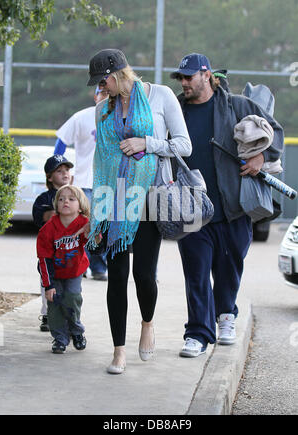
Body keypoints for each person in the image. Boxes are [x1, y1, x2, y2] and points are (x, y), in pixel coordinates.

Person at [84, 48, 192, 374]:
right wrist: (98, 214)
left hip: (149, 196)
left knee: (143, 274)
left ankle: (147, 322)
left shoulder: (160, 95)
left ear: (118, 73)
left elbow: (184, 145)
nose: (101, 89)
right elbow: (101, 161)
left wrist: (148, 143)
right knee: (115, 276)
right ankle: (118, 350)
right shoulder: (103, 109)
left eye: (104, 81)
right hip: (115, 198)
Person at [170, 53, 284, 357]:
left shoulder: (237, 105)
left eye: (189, 77)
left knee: (228, 269)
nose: (184, 83)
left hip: (233, 208)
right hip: (191, 209)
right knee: (195, 271)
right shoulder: (175, 111)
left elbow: (276, 133)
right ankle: (197, 333)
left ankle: (226, 315)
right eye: (180, 78)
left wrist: (261, 157)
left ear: (206, 75)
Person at [54, 87, 108, 281]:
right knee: (80, 226)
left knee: (100, 228)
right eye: (101, 93)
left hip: (107, 184)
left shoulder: (119, 118)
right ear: (95, 96)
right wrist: (57, 166)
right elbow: (62, 140)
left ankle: (99, 267)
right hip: (84, 181)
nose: (105, 96)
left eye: (108, 93)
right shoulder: (81, 117)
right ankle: (79, 265)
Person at [36, 184, 91, 354]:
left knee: (72, 298)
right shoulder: (48, 229)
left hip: (75, 271)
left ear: (81, 206)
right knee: (55, 304)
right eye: (61, 199)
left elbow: (97, 243)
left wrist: (92, 231)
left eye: (71, 199)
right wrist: (48, 284)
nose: (65, 201)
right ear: (56, 205)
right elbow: (44, 259)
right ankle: (60, 338)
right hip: (55, 273)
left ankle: (76, 331)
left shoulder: (85, 223)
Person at [32, 154, 74, 332]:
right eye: (59, 171)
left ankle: (70, 315)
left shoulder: (76, 196)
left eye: (67, 170)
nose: (65, 174)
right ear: (49, 177)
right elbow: (47, 217)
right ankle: (48, 314)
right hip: (50, 252)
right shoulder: (44, 199)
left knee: (72, 287)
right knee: (47, 284)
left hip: (71, 252)